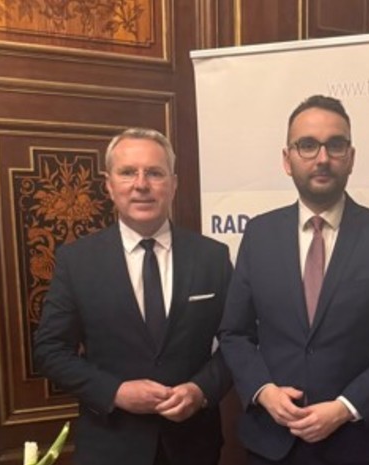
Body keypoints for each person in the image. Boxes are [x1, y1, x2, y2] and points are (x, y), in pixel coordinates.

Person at [219, 95, 369, 465]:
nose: (322, 158)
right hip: (271, 443)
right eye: (308, 145)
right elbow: (234, 333)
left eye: (335, 144)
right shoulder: (259, 234)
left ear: (351, 157)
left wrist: (346, 407)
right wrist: (264, 391)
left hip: (356, 444)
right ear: (287, 160)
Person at [34, 128, 233, 465]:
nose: (141, 184)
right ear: (109, 185)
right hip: (110, 445)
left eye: (154, 173)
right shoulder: (77, 261)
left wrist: (201, 390)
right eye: (128, 172)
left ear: (173, 184)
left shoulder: (211, 257)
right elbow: (50, 350)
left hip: (193, 445)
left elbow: (238, 340)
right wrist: (115, 392)